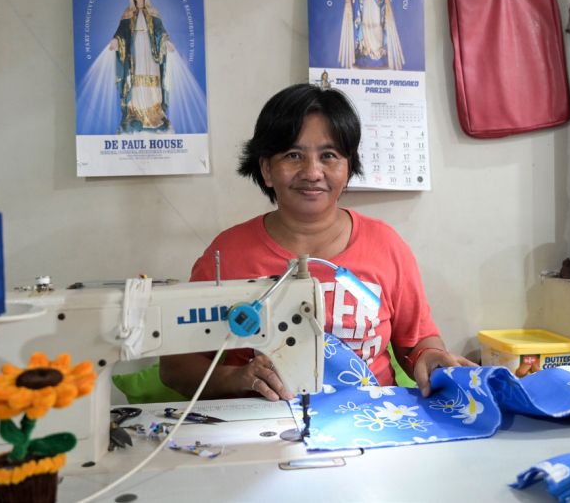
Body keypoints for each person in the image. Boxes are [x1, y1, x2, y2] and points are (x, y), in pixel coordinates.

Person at [160, 83, 474, 402]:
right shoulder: (228, 254)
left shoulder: (386, 246)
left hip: (372, 419)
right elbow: (175, 367)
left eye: (329, 156)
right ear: (266, 169)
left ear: (348, 167)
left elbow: (417, 342)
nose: (312, 172)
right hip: (265, 421)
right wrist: (236, 378)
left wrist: (430, 358)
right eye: (293, 155)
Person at [109, 0, 174, 133]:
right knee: (135, 78)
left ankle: (154, 115)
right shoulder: (128, 14)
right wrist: (116, 40)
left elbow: (160, 31)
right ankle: (136, 114)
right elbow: (121, 32)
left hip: (150, 51)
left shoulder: (153, 12)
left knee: (151, 76)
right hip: (135, 51)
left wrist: (166, 42)